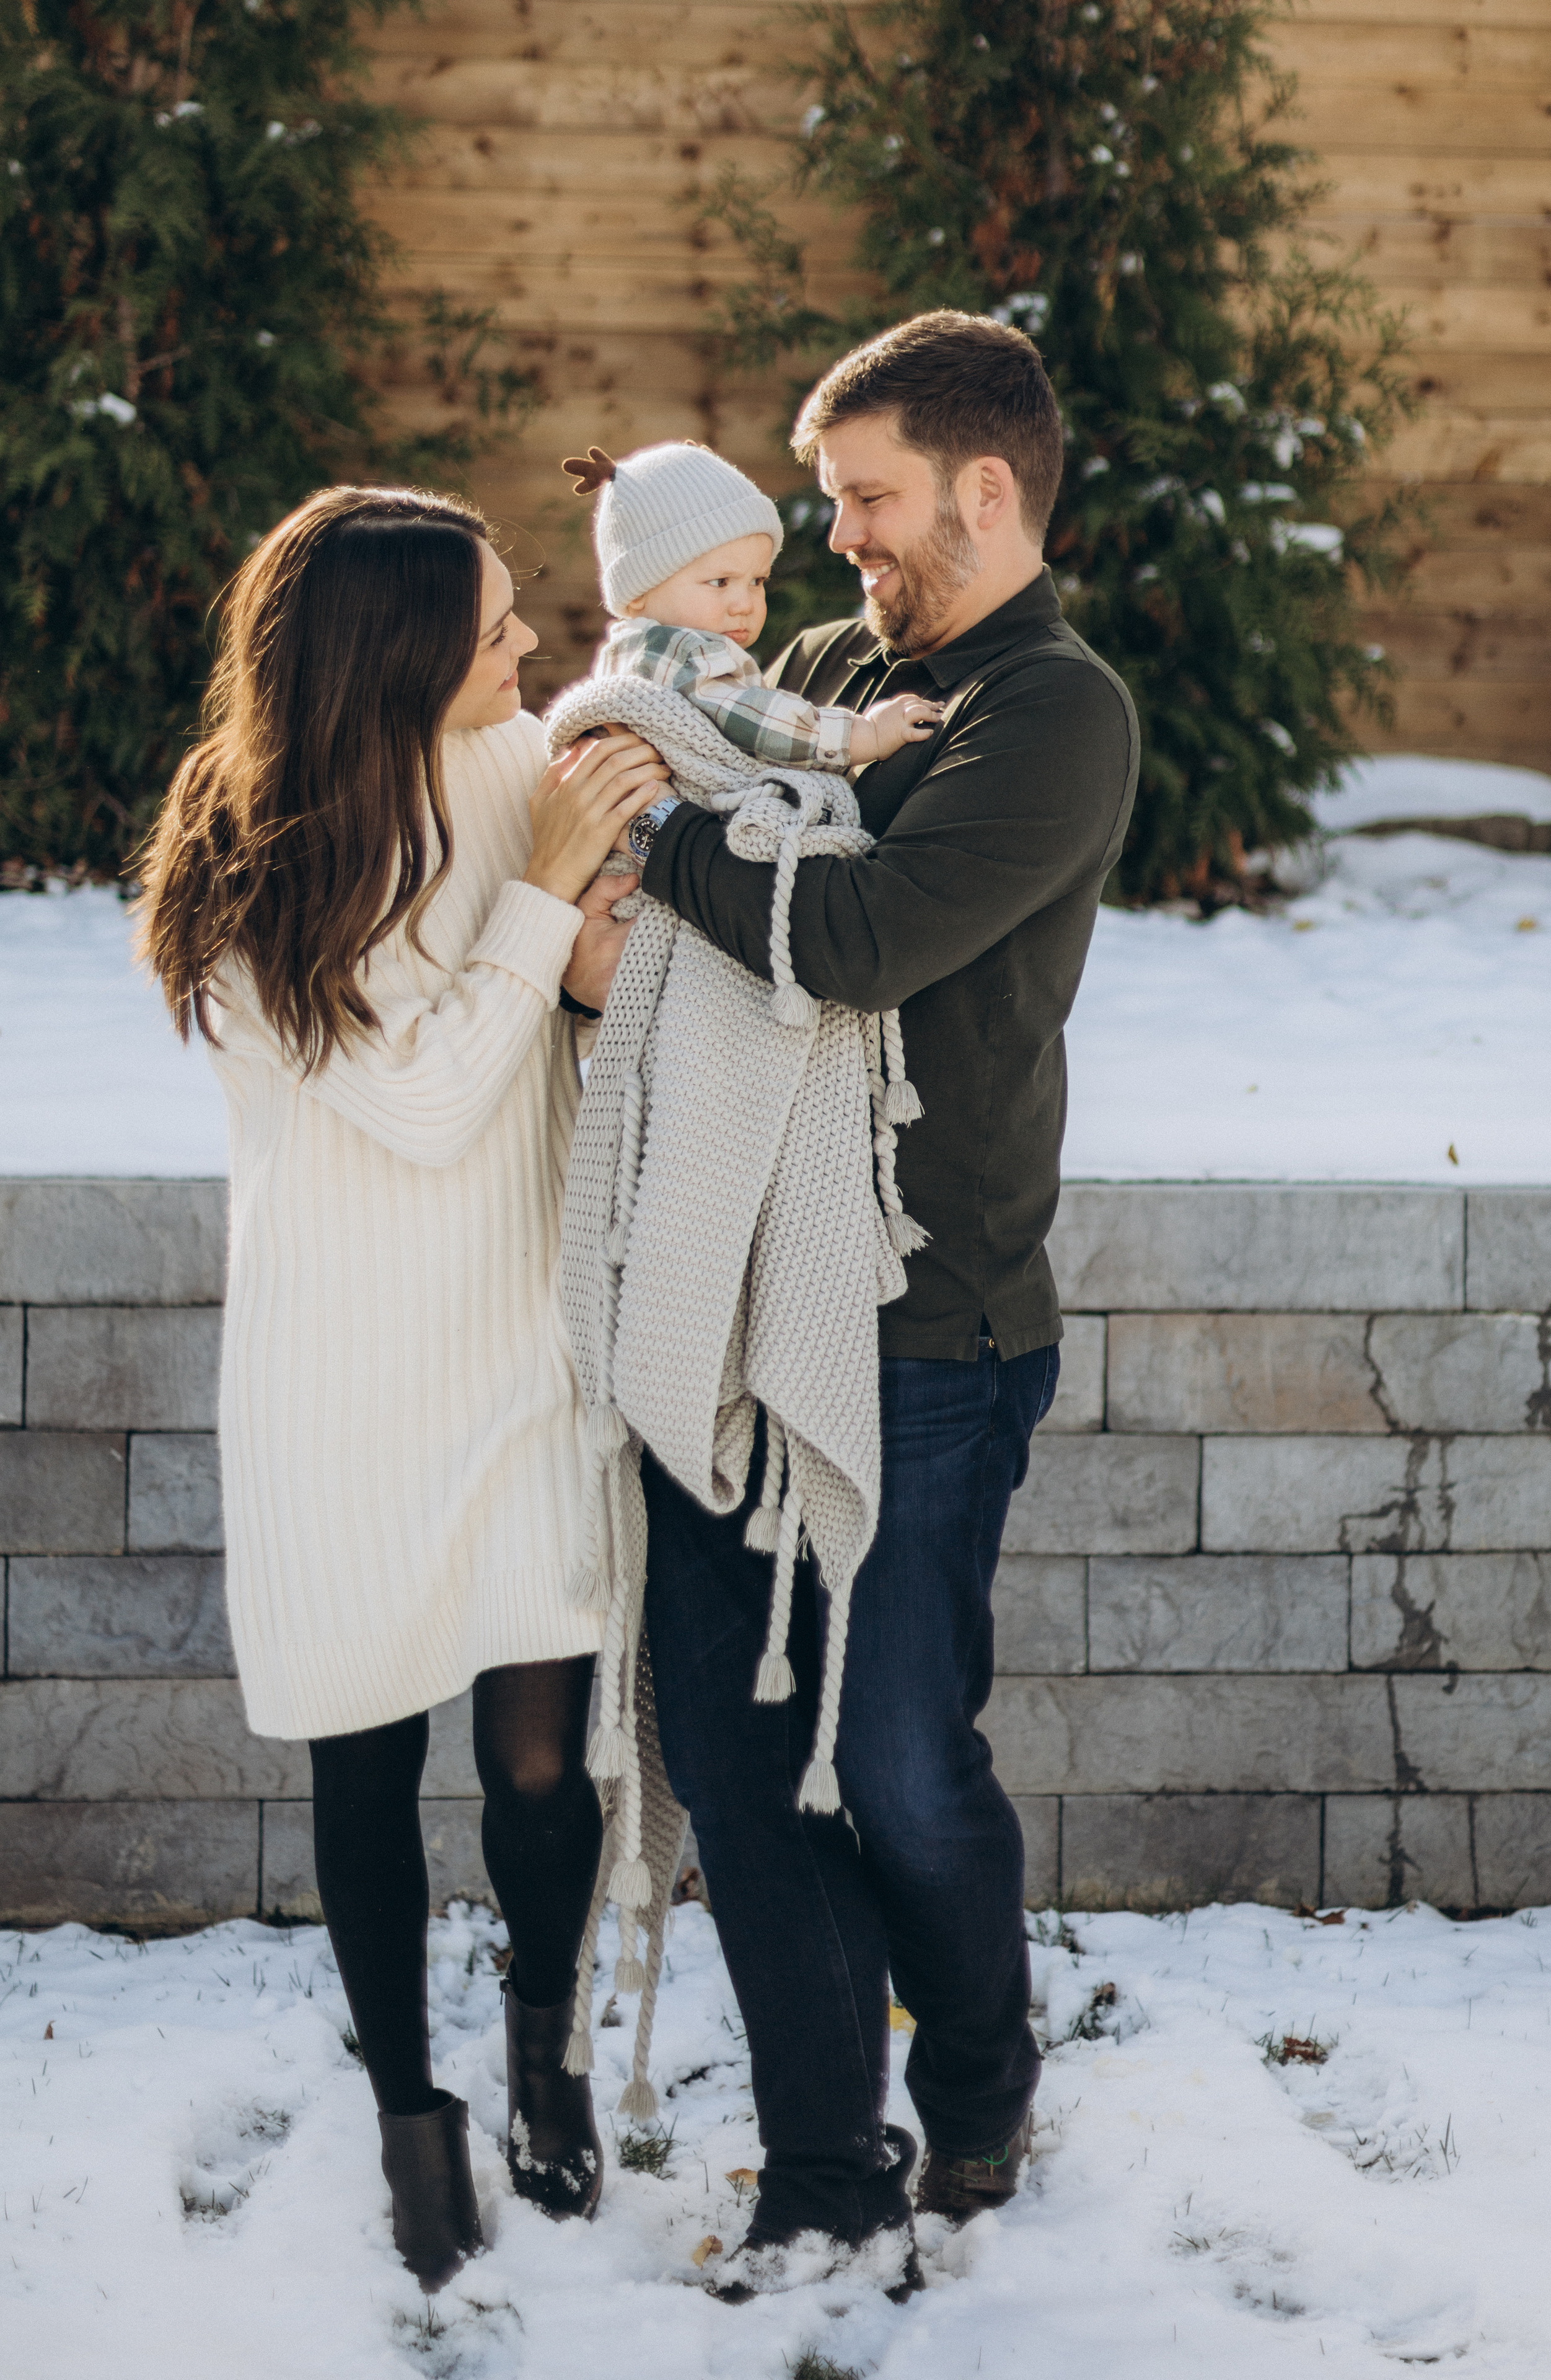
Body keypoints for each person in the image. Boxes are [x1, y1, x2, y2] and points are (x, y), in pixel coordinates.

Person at [614, 311, 1141, 2297]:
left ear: (984, 491)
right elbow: (681, 702)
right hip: (744, 1305)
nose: (837, 544)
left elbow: (846, 935)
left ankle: (985, 2078)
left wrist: (654, 839)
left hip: (931, 1330)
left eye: (866, 502)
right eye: (830, 505)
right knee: (747, 1763)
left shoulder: (1050, 712)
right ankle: (827, 2148)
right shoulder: (840, 670)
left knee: (904, 1761)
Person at [135, 484, 667, 2291]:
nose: (528, 647)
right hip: (341, 1386)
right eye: (498, 625)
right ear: (398, 656)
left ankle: (542, 2059)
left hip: (521, 1346)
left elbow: (640, 785)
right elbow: (431, 1095)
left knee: (538, 1765)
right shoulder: (251, 861)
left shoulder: (518, 758)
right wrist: (538, 906)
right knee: (365, 1767)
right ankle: (409, 2124)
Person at [564, 438, 944, 773]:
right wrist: (866, 735)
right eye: (720, 582)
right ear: (637, 592)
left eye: (757, 581)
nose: (744, 604)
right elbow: (754, 721)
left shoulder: (635, 650)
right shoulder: (673, 652)